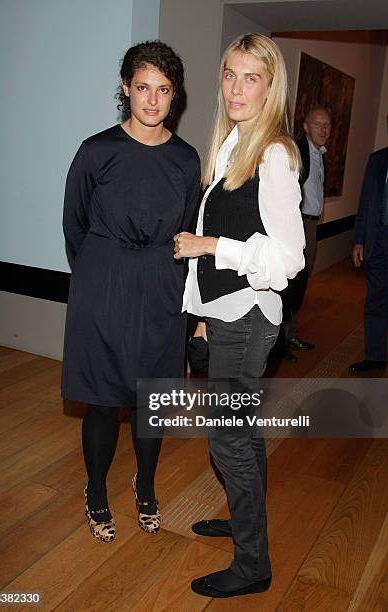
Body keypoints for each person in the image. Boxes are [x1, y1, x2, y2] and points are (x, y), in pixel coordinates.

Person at [174, 33, 305, 598]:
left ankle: (253, 563)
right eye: (230, 74)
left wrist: (212, 247)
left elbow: (287, 258)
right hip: (228, 313)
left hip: (250, 318)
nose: (236, 87)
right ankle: (244, 521)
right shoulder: (231, 142)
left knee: (228, 440)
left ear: (271, 87)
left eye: (251, 77)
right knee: (241, 436)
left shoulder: (273, 154)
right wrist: (201, 313)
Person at [61, 41, 200, 542]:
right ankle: (96, 491)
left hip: (161, 285)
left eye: (163, 90)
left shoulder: (186, 159)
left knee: (153, 397)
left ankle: (145, 486)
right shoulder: (96, 150)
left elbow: (186, 226)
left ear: (174, 96)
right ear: (125, 88)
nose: (152, 100)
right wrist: (104, 270)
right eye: (143, 88)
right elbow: (73, 224)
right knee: (101, 399)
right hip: (103, 284)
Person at [283, 106, 331, 357]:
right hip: (296, 224)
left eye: (327, 125)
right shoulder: (297, 150)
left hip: (311, 224)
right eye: (318, 124)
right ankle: (279, 343)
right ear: (305, 127)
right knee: (290, 283)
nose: (323, 130)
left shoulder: (320, 153)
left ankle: (290, 335)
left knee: (301, 283)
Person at [349, 146, 388, 373]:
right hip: (377, 241)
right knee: (375, 300)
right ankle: (375, 357)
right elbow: (365, 202)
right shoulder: (377, 160)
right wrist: (359, 240)